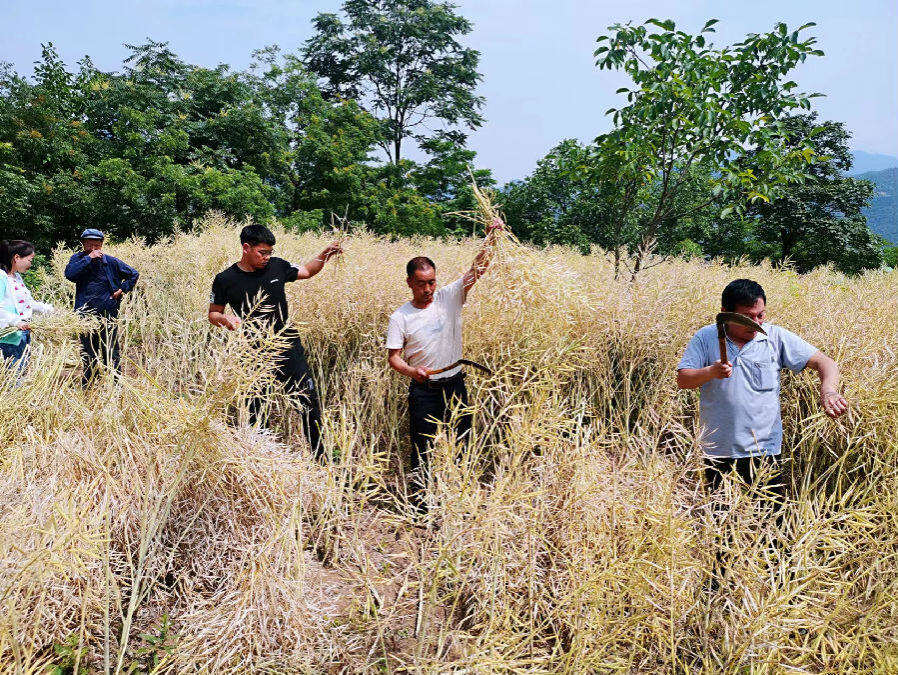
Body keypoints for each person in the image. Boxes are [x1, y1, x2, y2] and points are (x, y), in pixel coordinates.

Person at [677, 278, 849, 500]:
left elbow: (826, 362)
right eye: (747, 317)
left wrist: (829, 391)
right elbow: (683, 380)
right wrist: (711, 372)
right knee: (721, 522)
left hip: (764, 449)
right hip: (718, 449)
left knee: (768, 521)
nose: (756, 323)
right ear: (725, 312)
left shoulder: (775, 337)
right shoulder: (706, 337)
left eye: (760, 315)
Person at [386, 218, 504, 511]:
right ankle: (422, 506)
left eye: (432, 282)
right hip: (424, 391)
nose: (428, 288)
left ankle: (458, 501)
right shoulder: (400, 317)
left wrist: (491, 238)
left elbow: (478, 269)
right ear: (409, 282)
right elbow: (394, 358)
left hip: (456, 385)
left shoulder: (449, 297)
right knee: (423, 448)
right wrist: (413, 371)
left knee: (462, 444)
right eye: (421, 283)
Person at [208, 224, 342, 459]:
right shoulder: (225, 279)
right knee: (256, 409)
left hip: (287, 345)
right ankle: (262, 459)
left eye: (270, 252)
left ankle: (321, 459)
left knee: (308, 401)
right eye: (262, 252)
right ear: (246, 248)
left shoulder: (278, 266)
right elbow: (213, 313)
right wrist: (226, 319)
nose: (267, 257)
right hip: (252, 351)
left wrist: (324, 256)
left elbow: (307, 271)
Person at [64, 229, 140, 387]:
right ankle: (90, 380)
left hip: (108, 313)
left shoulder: (111, 262)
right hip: (85, 314)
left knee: (110, 349)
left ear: (102, 245)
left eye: (96, 246)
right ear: (83, 244)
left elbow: (133, 274)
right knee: (88, 350)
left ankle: (115, 383)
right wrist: (88, 259)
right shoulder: (77, 259)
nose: (93, 249)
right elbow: (70, 275)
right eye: (89, 245)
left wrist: (123, 289)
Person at [0, 240, 54, 379]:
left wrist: (48, 309)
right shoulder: (1, 277)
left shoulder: (16, 277)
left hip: (22, 332)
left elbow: (27, 303)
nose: (31, 263)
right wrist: (15, 322)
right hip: (8, 336)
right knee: (13, 376)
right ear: (17, 257)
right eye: (30, 259)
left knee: (21, 371)